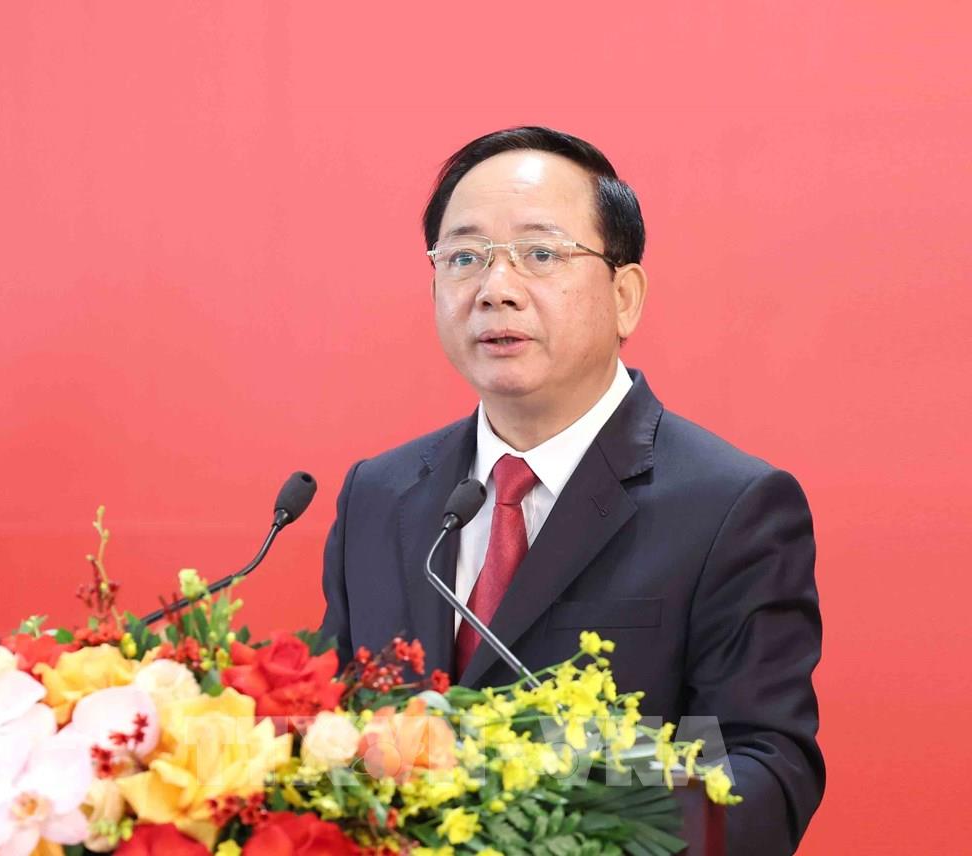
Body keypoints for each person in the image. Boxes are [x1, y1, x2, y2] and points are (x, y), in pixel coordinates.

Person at [320, 126, 823, 854]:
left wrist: (539, 803)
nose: (495, 290)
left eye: (541, 254)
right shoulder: (379, 494)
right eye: (464, 258)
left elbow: (766, 776)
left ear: (625, 296)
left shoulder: (731, 508)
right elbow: (335, 726)